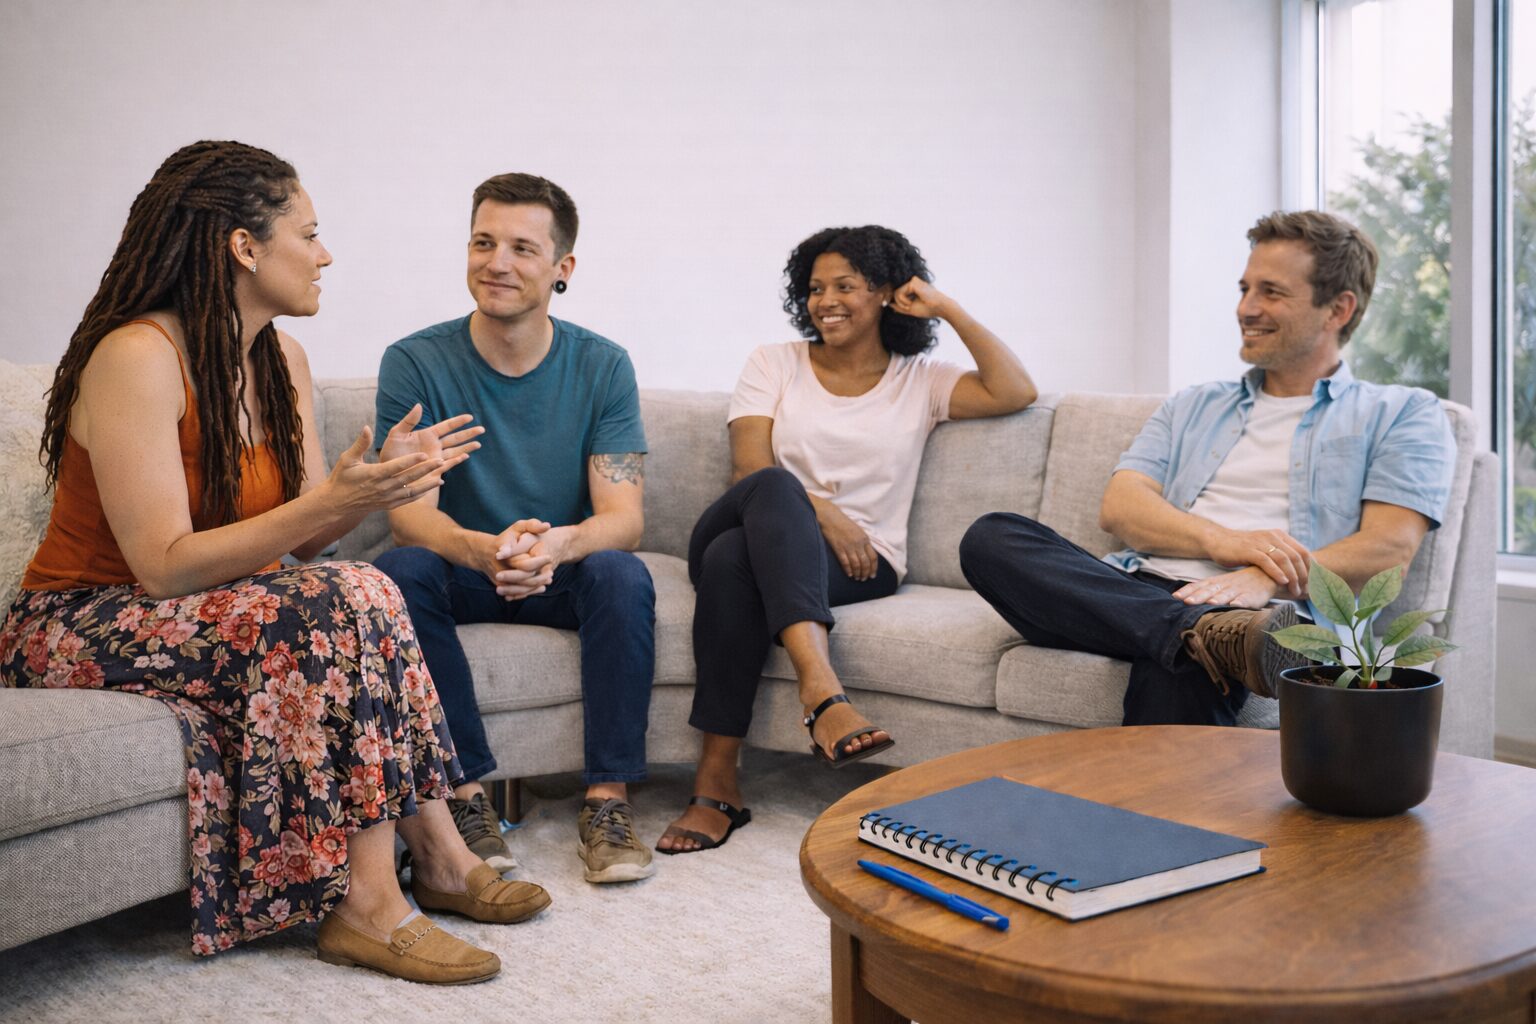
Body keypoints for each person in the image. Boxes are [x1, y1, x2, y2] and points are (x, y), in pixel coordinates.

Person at [0, 142, 552, 984]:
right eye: (310, 232)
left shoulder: (281, 361)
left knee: (361, 588)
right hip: (80, 620)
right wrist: (333, 502)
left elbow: (297, 547)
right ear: (244, 247)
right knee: (352, 592)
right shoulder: (138, 358)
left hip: (201, 606)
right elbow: (161, 568)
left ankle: (440, 856)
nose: (325, 253)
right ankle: (363, 906)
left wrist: (368, 490)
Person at [958, 210, 1457, 726]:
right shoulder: (1194, 404)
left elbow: (1388, 549)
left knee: (1183, 666)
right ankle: (1205, 634)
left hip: (1269, 614)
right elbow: (1122, 506)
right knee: (991, 537)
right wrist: (1224, 542)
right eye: (1245, 288)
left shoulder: (1403, 412)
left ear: (1338, 309)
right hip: (1137, 590)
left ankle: (1209, 639)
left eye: (1271, 292)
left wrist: (1265, 575)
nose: (1246, 308)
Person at [656, 225, 1038, 854]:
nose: (824, 300)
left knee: (735, 565)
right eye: (814, 288)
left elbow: (1014, 390)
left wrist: (945, 306)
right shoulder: (774, 363)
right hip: (752, 519)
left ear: (888, 293)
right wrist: (826, 513)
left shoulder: (921, 381)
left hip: (860, 565)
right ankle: (823, 692)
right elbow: (749, 469)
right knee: (774, 490)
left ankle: (716, 785)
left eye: (845, 287)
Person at [373, 174, 656, 884]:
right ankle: (465, 799)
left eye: (523, 248)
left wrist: (557, 544)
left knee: (623, 573)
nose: (497, 262)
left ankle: (607, 802)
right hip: (465, 565)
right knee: (397, 575)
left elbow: (622, 518)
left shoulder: (602, 364)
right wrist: (481, 549)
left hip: (555, 568)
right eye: (483, 242)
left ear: (562, 269)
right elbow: (409, 516)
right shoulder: (415, 361)